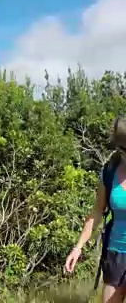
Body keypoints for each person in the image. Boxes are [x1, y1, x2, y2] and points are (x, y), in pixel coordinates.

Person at [65, 117, 126, 303]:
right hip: (115, 254)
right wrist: (78, 247)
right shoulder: (109, 172)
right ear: (119, 148)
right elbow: (97, 212)